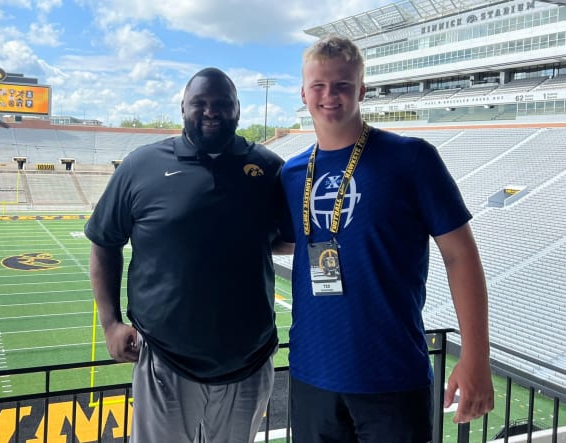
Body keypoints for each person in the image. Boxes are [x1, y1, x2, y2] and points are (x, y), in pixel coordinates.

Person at [280, 35, 495, 442]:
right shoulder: (292, 174)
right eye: (319, 86)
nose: (330, 96)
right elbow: (288, 240)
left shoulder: (411, 158)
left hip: (391, 375)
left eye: (342, 85)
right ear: (304, 93)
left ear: (361, 90)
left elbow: (460, 256)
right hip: (311, 374)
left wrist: (476, 356)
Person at [84, 67, 289, 443]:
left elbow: (284, 239)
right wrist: (110, 323)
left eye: (222, 104)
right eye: (200, 103)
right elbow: (104, 241)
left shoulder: (269, 169)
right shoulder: (140, 166)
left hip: (249, 358)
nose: (211, 111)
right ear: (183, 108)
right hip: (164, 359)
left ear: (238, 110)